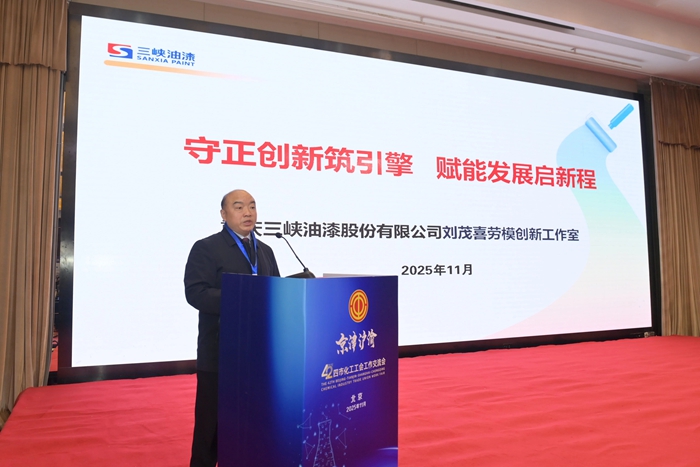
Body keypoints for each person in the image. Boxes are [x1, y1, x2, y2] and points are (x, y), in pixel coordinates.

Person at [184, 189, 280, 467]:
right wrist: (241, 296)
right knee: (211, 426)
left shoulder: (266, 251)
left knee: (253, 423)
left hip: (258, 354)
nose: (248, 212)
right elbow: (196, 293)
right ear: (223, 214)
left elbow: (275, 292)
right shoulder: (207, 247)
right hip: (220, 352)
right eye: (239, 207)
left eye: (252, 206)